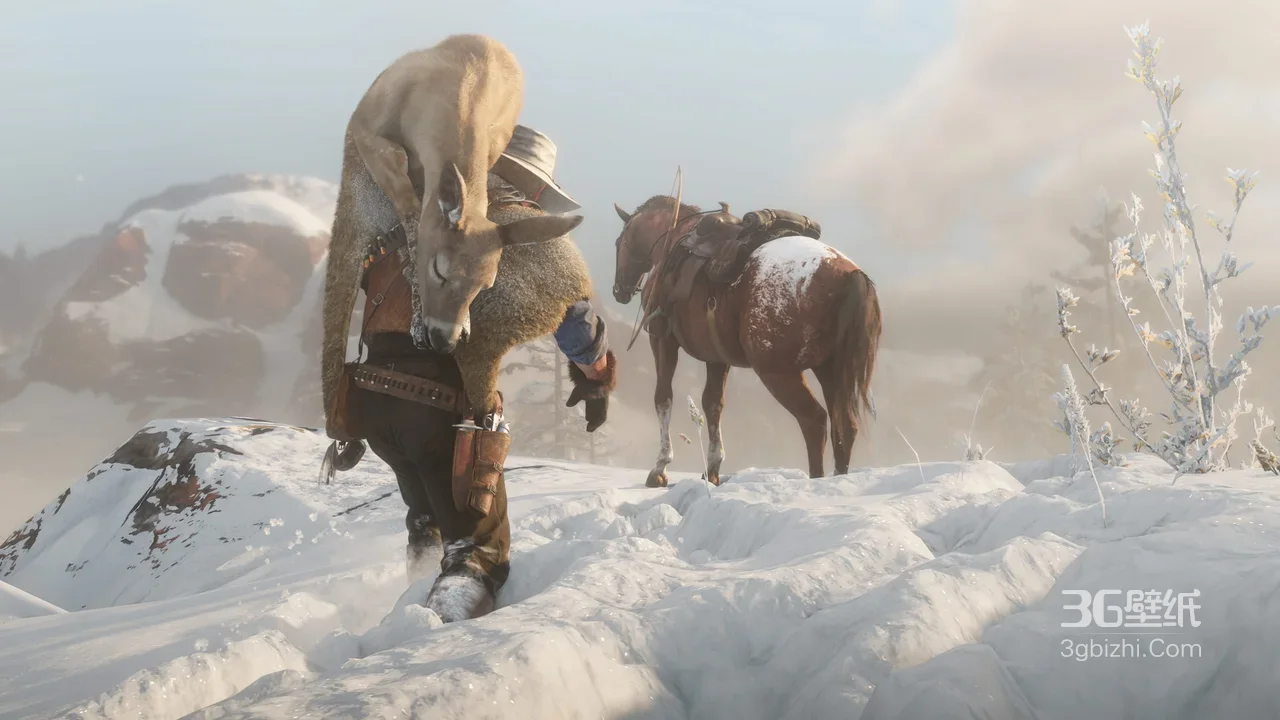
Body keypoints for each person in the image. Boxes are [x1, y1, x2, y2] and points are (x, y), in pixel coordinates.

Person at [341, 125, 614, 622]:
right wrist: (597, 376)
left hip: (375, 405)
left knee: (428, 525)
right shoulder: (508, 225)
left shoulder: (408, 210)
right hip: (442, 415)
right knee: (476, 553)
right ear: (531, 185)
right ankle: (430, 654)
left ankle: (407, 619)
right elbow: (577, 328)